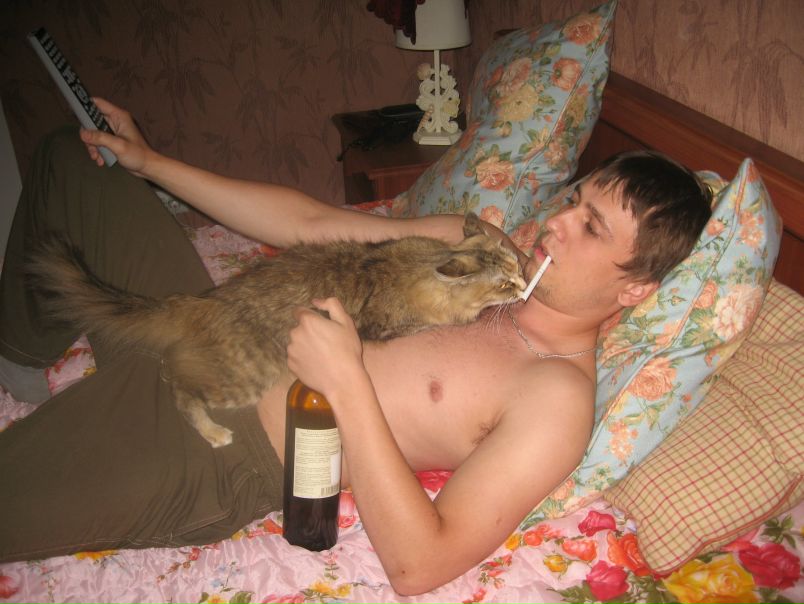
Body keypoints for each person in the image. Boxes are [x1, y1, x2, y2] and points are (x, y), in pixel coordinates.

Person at [0, 98, 712, 595]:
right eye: (573, 200)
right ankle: (21, 349)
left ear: (635, 289)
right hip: (211, 324)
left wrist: (346, 382)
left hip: (222, 443)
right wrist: (151, 164)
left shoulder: (556, 398)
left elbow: (420, 565)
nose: (555, 224)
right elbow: (312, 223)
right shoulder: (479, 246)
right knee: (76, 154)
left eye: (590, 228)